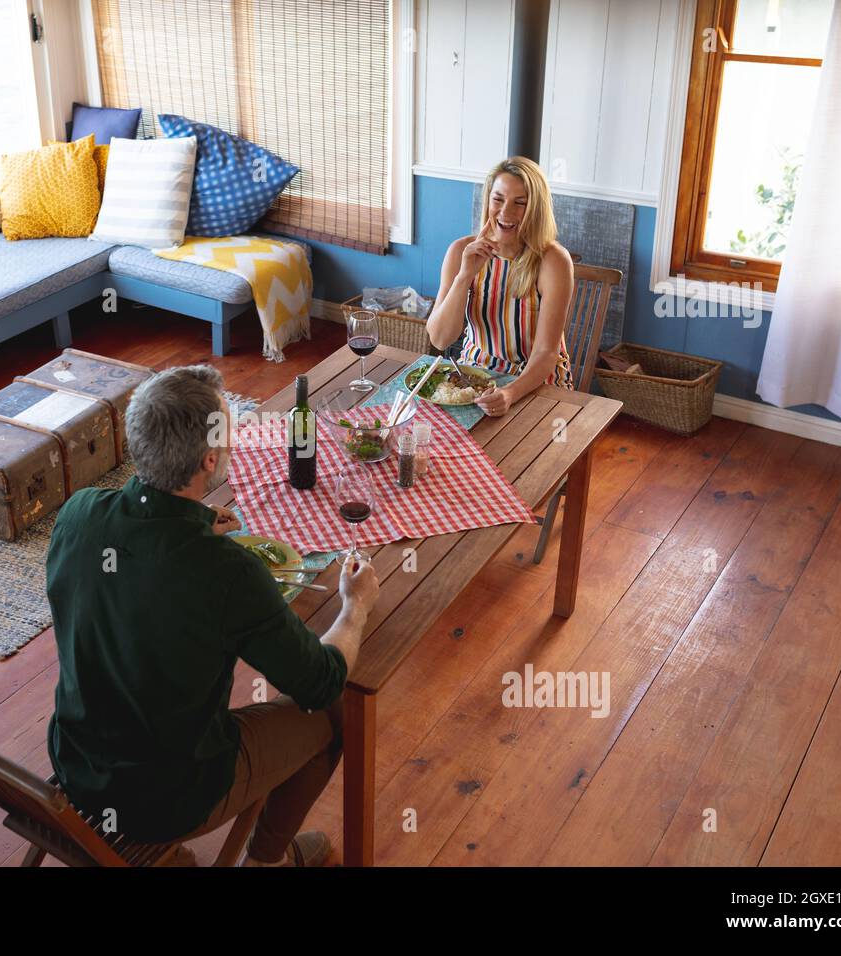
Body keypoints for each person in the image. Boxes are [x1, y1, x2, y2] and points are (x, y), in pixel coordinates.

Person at [45, 364, 380, 866]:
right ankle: (268, 859)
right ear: (208, 460)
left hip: (76, 763)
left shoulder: (77, 513)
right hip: (169, 796)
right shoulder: (227, 571)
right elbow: (321, 680)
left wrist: (196, 526)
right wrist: (354, 608)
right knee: (335, 713)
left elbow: (138, 576)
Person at [426, 155, 576, 416]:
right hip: (473, 376)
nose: (506, 212)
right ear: (488, 200)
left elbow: (545, 352)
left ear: (536, 209)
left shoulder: (553, 261)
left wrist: (509, 393)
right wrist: (464, 277)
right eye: (498, 199)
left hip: (536, 382)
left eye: (520, 203)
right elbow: (440, 338)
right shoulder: (461, 251)